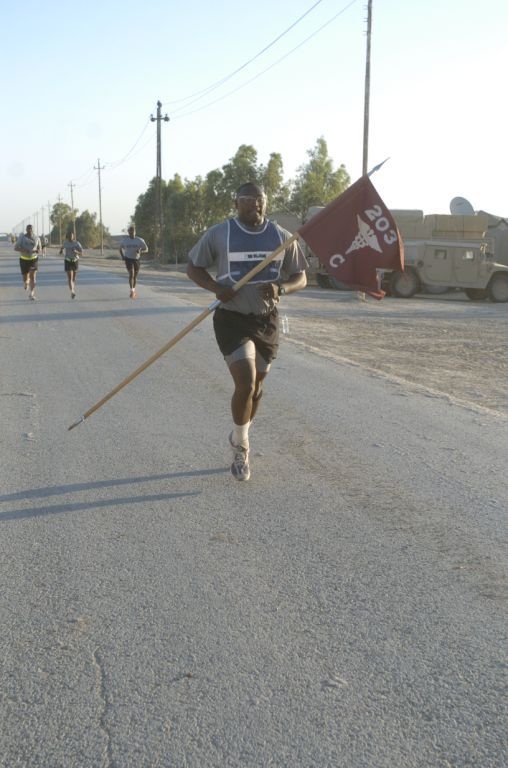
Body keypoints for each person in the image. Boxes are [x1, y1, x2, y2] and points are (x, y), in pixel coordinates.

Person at [187, 182, 307, 481]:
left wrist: (281, 288)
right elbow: (193, 268)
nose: (255, 204)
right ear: (236, 203)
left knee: (257, 389)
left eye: (260, 199)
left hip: (266, 320)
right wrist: (217, 288)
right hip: (231, 318)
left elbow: (300, 276)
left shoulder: (280, 236)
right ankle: (242, 448)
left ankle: (238, 432)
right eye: (248, 199)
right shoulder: (220, 233)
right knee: (246, 383)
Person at [119, 225, 148, 298]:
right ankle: (131, 291)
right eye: (130, 232)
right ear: (128, 233)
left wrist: (140, 250)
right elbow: (120, 249)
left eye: (133, 232)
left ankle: (134, 290)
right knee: (131, 274)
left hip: (136, 259)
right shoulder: (125, 240)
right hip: (128, 259)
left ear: (135, 232)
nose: (131, 234)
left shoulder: (140, 240)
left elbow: (146, 249)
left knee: (135, 276)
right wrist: (122, 256)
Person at [14, 224, 41, 300]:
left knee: (33, 277)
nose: (30, 230)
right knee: (25, 278)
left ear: (33, 229)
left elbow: (40, 248)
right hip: (24, 259)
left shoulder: (36, 238)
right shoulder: (22, 238)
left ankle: (32, 294)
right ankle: (26, 283)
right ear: (26, 230)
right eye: (28, 229)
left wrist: (37, 250)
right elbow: (15, 248)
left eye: (31, 229)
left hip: (33, 259)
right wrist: (24, 250)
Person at [59, 231, 83, 299]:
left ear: (73, 236)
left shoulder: (77, 243)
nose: (70, 237)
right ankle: (72, 291)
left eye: (72, 236)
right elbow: (62, 248)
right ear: (67, 236)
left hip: (75, 261)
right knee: (70, 278)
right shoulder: (65, 243)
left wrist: (76, 252)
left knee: (74, 278)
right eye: (69, 236)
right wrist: (61, 251)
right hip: (68, 261)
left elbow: (82, 253)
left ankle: (73, 289)